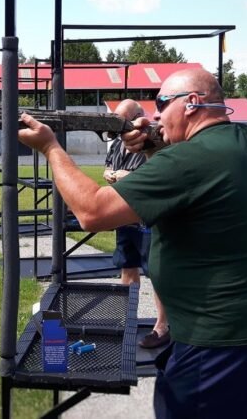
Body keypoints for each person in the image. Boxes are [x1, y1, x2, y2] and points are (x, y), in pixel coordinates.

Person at [18, 68, 247, 418]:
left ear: (192, 103)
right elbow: (190, 190)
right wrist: (154, 145)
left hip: (217, 343)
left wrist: (50, 147)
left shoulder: (186, 161)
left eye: (161, 103)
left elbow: (92, 211)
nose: (153, 115)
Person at [104, 99, 170, 349]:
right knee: (127, 267)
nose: (120, 128)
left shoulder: (155, 140)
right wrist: (110, 174)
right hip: (125, 214)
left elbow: (159, 176)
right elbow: (109, 167)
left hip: (147, 217)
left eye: (124, 121)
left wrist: (128, 177)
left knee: (155, 273)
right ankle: (125, 320)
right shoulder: (119, 143)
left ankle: (162, 326)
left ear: (139, 116)